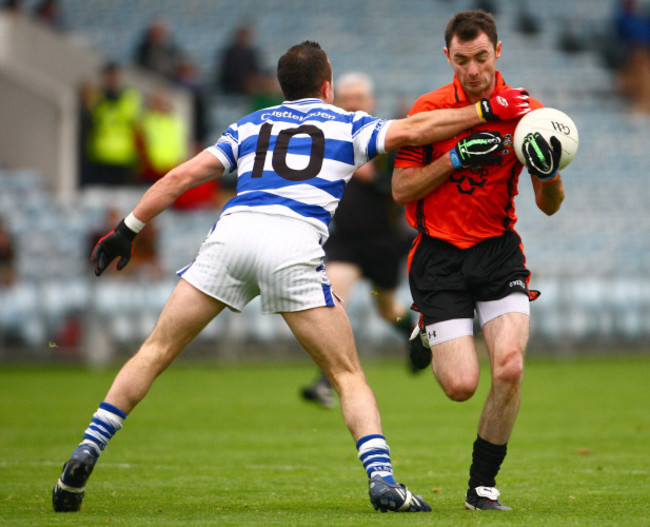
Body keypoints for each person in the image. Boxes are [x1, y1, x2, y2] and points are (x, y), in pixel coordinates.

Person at [52, 40, 531, 514]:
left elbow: (182, 176)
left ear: (283, 88)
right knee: (346, 375)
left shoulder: (249, 124)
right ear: (328, 87)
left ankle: (84, 453)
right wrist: (485, 109)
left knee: (153, 352)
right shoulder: (345, 123)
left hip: (231, 238)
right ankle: (382, 481)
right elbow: (416, 129)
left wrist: (126, 229)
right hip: (290, 245)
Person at [392, 10, 566, 511]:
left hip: (496, 252)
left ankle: (482, 488)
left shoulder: (529, 113)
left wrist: (550, 173)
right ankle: (425, 325)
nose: (473, 70)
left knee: (509, 367)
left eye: (482, 58)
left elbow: (549, 205)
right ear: (448, 57)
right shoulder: (427, 111)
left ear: (498, 52)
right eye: (462, 60)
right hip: (439, 256)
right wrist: (456, 158)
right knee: (462, 386)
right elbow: (401, 188)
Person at [300, 72, 416, 409]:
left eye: (358, 98)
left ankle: (413, 334)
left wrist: (374, 178)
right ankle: (326, 382)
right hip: (345, 245)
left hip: (383, 242)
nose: (352, 103)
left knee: (387, 310)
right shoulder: (327, 142)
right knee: (333, 303)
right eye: (346, 97)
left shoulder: (388, 141)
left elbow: (402, 190)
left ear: (370, 102)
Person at [82, 62, 142, 187]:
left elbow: (132, 118)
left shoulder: (129, 97)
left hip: (123, 154)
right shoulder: (97, 97)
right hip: (100, 153)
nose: (112, 80)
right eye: (109, 76)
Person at [133, 15, 184, 82]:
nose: (157, 34)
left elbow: (177, 64)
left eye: (160, 31)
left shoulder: (170, 49)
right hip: (152, 81)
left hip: (169, 81)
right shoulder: (144, 50)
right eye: (155, 31)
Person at [215, 24, 262, 95]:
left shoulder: (251, 52)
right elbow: (228, 71)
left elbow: (256, 68)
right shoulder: (230, 52)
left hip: (248, 81)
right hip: (233, 83)